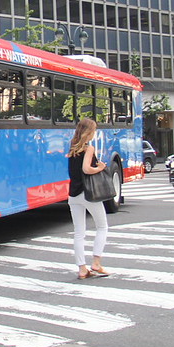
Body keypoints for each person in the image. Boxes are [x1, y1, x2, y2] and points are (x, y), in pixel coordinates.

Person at [66, 117, 110, 280]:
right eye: (94, 130)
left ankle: (82, 269)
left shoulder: (72, 147)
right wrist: (99, 168)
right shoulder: (88, 148)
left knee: (79, 233)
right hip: (88, 194)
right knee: (102, 226)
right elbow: (86, 169)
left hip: (73, 195)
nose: (94, 133)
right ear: (89, 132)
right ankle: (96, 262)